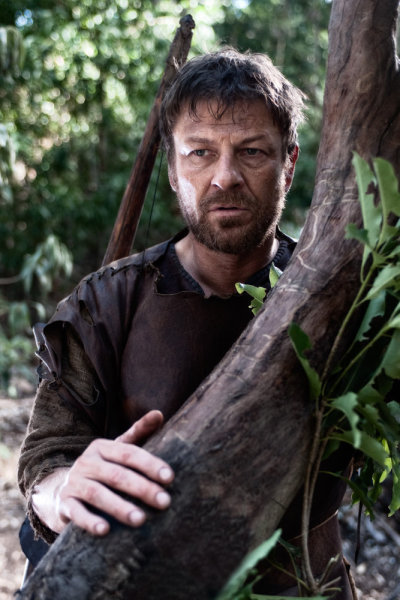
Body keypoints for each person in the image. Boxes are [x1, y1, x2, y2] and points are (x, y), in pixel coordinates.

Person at [18, 48, 353, 598]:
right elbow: (45, 459)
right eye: (200, 153)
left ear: (289, 163)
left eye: (251, 152)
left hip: (301, 582)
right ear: (173, 172)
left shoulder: (345, 296)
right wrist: (63, 490)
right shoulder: (107, 303)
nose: (225, 177)